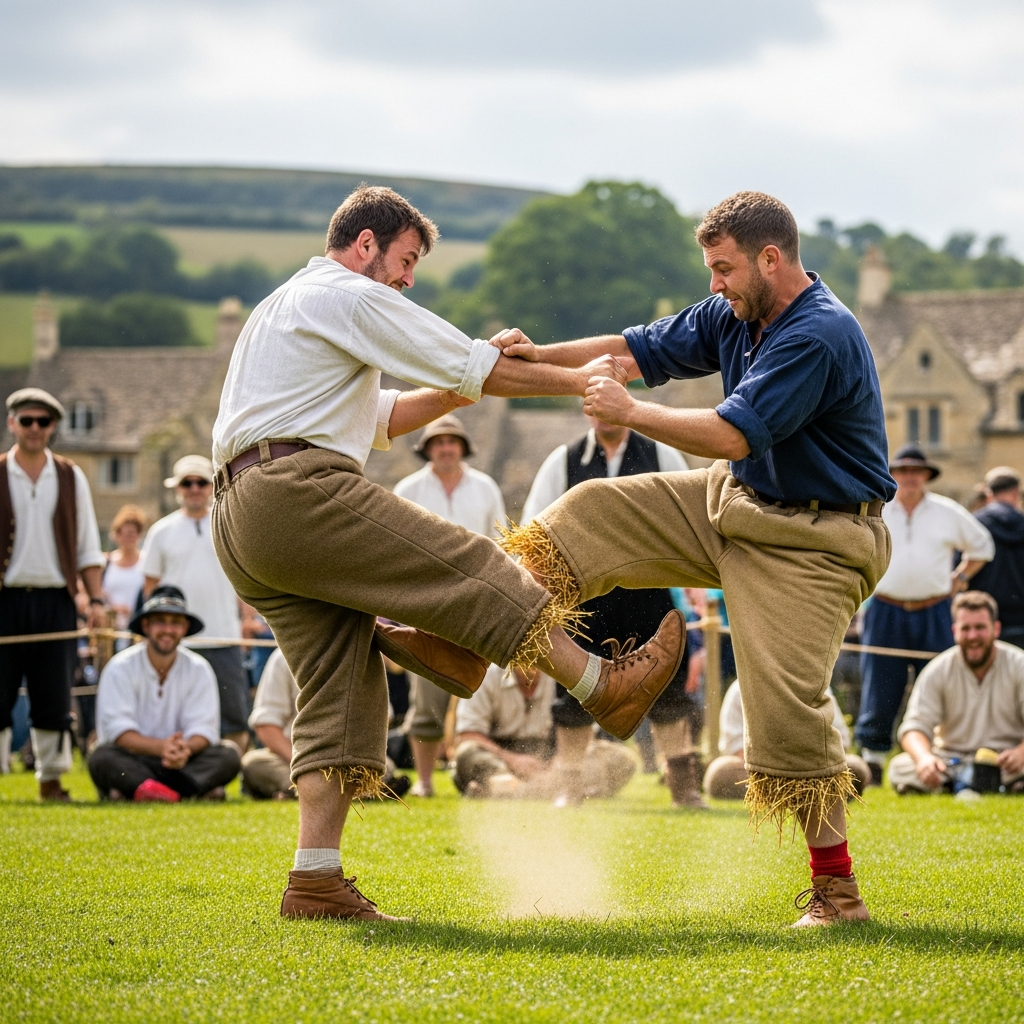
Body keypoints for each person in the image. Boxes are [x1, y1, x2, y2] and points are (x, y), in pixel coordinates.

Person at [210, 185, 685, 921]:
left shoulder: (286, 307)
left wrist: (461, 387)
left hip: (243, 520)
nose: (406, 280)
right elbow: (476, 367)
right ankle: (599, 682)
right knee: (471, 562)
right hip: (293, 491)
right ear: (364, 244)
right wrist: (581, 378)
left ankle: (315, 880)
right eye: (404, 261)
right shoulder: (346, 294)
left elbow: (383, 416)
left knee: (341, 687)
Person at [496, 190, 895, 926]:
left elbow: (731, 434)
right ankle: (476, 629)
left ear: (769, 259)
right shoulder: (734, 311)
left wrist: (630, 412)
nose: (713, 284)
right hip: (735, 502)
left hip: (817, 540)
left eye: (723, 269)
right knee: (590, 509)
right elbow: (629, 352)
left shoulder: (818, 334)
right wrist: (537, 356)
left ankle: (838, 893)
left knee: (785, 710)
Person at [522, 413, 705, 807]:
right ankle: (569, 787)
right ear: (586, 409)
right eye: (594, 402)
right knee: (575, 691)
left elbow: (693, 520)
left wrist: (695, 584)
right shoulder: (563, 460)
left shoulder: (661, 454)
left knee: (668, 691)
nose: (603, 412)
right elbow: (533, 530)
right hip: (583, 604)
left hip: (650, 594)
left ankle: (683, 787)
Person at [855, 445, 993, 782]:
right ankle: (873, 760)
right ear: (894, 475)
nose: (910, 477)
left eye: (916, 471)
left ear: (926, 476)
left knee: (940, 679)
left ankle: (943, 753)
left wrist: (960, 579)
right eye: (903, 471)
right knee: (880, 682)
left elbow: (983, 546)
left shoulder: (946, 511)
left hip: (935, 610)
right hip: (885, 608)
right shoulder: (877, 508)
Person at [1, 387, 106, 801]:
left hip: (57, 600)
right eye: (26, 420)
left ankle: (51, 780)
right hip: (4, 599)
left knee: (54, 693)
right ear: (12, 423)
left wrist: (95, 600)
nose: (34, 428)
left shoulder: (69, 475)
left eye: (42, 422)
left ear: (53, 427)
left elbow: (87, 547)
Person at [393, 413, 506, 797]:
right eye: (438, 442)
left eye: (451, 442)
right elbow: (397, 551)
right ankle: (425, 782)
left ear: (462, 447)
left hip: (478, 603)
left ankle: (481, 777)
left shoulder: (485, 488)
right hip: (427, 605)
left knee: (482, 688)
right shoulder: (408, 489)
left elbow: (502, 546)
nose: (445, 448)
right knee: (427, 696)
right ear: (427, 449)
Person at [88, 586, 241, 801]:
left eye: (176, 622)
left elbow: (204, 730)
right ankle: (189, 791)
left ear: (185, 627)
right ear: (146, 625)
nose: (168, 630)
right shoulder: (119, 667)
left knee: (229, 755)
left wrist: (184, 749)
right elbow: (119, 732)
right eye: (160, 621)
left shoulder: (199, 668)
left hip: (182, 761)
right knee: (101, 757)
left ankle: (142, 791)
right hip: (136, 759)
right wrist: (162, 748)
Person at [143, 455, 252, 753]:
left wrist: (247, 621)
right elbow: (150, 589)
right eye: (187, 483)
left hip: (225, 638)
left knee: (234, 717)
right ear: (177, 488)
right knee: (178, 719)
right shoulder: (160, 532)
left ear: (211, 486)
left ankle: (232, 771)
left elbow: (244, 580)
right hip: (177, 641)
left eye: (201, 482)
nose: (194, 488)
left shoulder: (230, 524)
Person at [889, 591, 1024, 794]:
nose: (973, 636)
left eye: (980, 628)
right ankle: (955, 783)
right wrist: (924, 758)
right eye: (965, 628)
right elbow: (913, 728)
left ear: (996, 629)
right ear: (954, 631)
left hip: (1006, 762)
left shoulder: (1019, 664)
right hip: (950, 763)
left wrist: (1021, 753)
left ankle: (949, 787)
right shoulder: (937, 670)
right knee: (900, 767)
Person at [452, 663, 636, 801]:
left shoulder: (562, 674)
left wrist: (562, 762)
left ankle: (504, 790)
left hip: (554, 755)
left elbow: (583, 729)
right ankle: (551, 789)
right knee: (466, 753)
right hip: (500, 756)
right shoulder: (487, 675)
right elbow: (468, 735)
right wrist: (512, 759)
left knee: (621, 760)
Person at [704, 680, 871, 799]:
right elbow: (736, 748)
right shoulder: (741, 686)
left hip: (813, 768)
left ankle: (786, 794)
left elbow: (841, 743)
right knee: (719, 773)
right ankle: (811, 794)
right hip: (761, 771)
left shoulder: (817, 683)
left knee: (856, 767)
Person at [971, 467, 1024, 649]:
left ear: (988, 494)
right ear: (1015, 493)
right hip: (1020, 620)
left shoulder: (974, 524)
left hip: (980, 620)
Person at [102, 504, 148, 651]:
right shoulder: (106, 562)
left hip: (138, 630)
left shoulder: (147, 562)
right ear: (117, 534)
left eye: (132, 533)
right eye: (124, 533)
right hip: (109, 632)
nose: (128, 538)